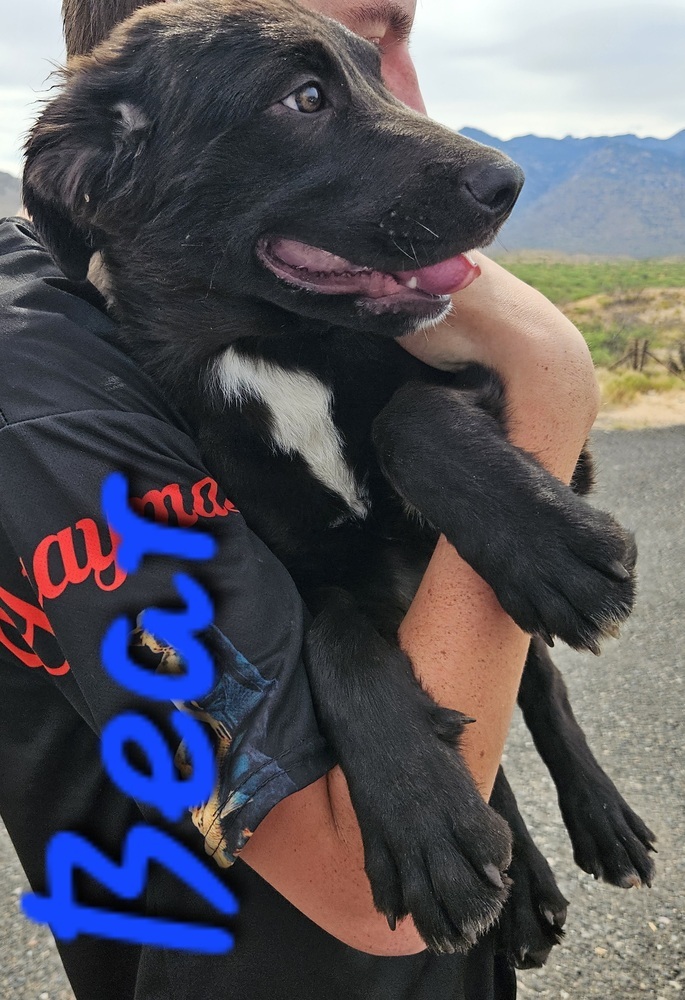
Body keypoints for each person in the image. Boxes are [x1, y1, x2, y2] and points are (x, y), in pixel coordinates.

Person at [0, 0, 599, 997]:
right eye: (314, 90)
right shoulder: (46, 387)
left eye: (387, 58)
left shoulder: (265, 308)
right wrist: (548, 376)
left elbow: (385, 567)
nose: (410, 99)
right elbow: (359, 890)